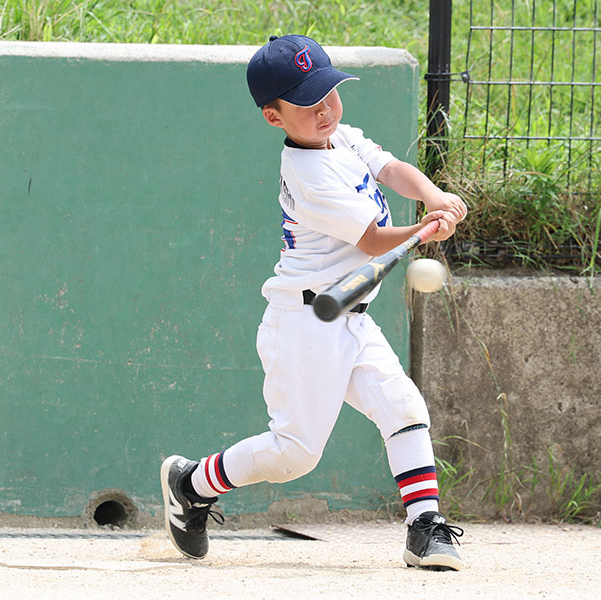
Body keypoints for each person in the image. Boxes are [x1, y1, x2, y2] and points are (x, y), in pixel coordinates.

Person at [161, 34, 467, 571]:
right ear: (273, 117)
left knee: (403, 407)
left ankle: (425, 528)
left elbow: (391, 168)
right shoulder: (308, 174)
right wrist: (423, 230)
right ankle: (191, 483)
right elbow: (372, 241)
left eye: (328, 92)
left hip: (351, 318)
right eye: (307, 103)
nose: (325, 110)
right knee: (294, 455)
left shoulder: (340, 138)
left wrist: (433, 197)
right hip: (305, 322)